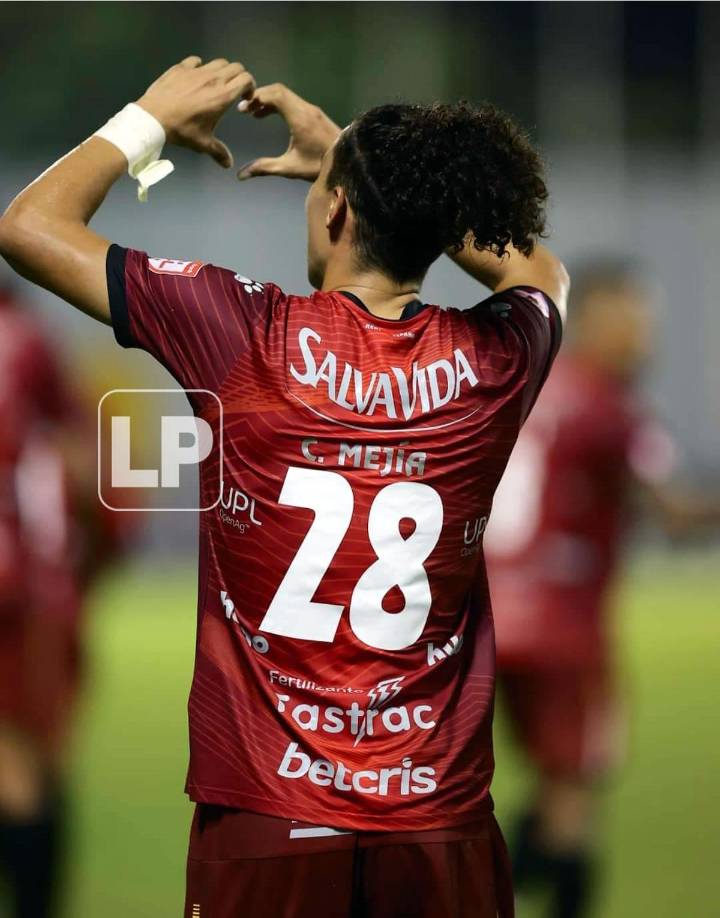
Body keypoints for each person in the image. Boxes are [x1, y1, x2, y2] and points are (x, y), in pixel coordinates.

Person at [0, 56, 569, 917]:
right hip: (437, 824)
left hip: (269, 813)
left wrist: (148, 117)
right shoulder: (498, 357)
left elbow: (31, 225)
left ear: (335, 206)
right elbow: (541, 276)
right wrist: (366, 162)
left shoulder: (237, 329)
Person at [484, 260, 718, 918]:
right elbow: (672, 511)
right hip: (562, 623)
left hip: (486, 613)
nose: (646, 340)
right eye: (634, 323)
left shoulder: (524, 385)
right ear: (589, 317)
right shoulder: (610, 405)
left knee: (487, 796)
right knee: (573, 795)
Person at [0, 284, 128, 918]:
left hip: (23, 595)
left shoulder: (22, 345)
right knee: (32, 766)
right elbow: (94, 478)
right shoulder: (32, 343)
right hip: (42, 595)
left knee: (22, 768)